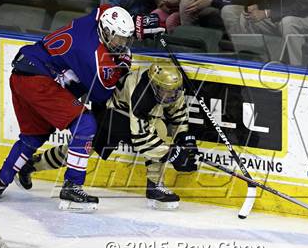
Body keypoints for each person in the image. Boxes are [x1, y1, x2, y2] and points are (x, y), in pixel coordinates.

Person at [0, 4, 135, 212]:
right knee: (86, 124)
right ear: (106, 31)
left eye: (126, 38)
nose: (122, 43)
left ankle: (0, 181)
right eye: (119, 38)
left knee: (33, 136)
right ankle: (72, 185)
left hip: (22, 74)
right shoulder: (92, 55)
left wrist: (139, 25)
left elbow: (104, 8)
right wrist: (122, 65)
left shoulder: (94, 19)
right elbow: (100, 95)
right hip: (40, 79)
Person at [16, 63, 198, 210]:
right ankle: (33, 165)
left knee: (157, 129)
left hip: (125, 112)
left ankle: (154, 186)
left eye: (173, 92)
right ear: (153, 84)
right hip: (111, 111)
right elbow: (141, 138)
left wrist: (185, 140)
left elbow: (179, 116)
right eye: (164, 91)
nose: (169, 96)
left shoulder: (172, 89)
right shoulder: (141, 91)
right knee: (85, 148)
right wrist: (173, 154)